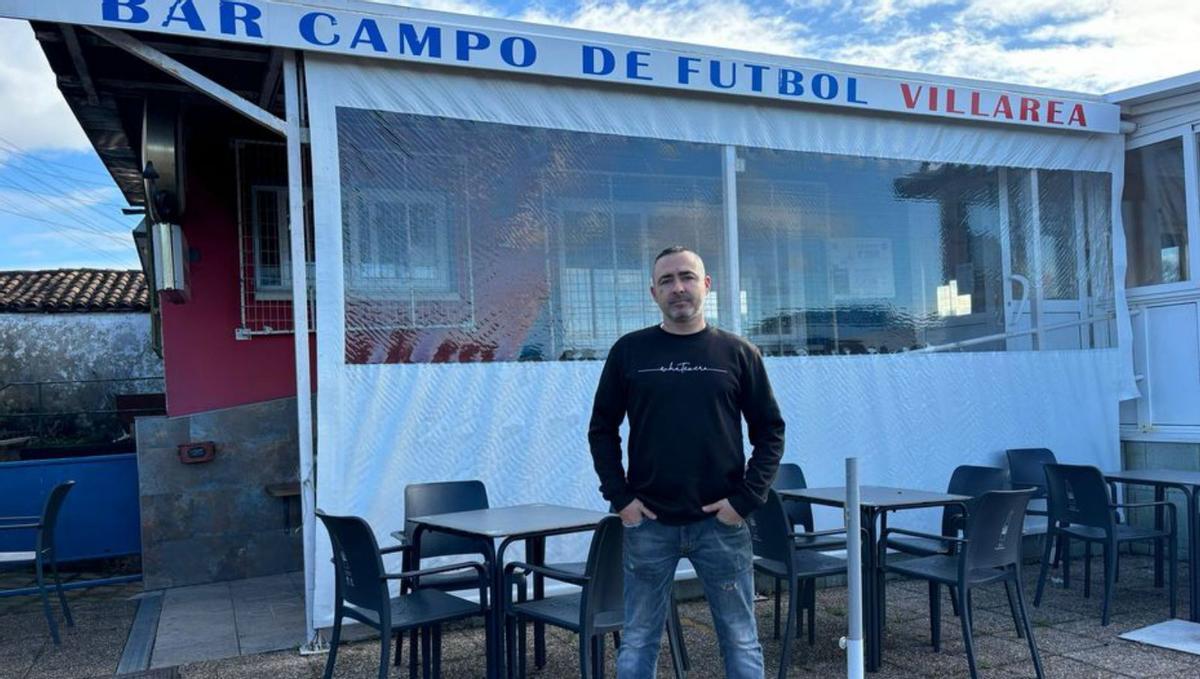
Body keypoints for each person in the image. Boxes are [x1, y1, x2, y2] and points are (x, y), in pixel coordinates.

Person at [589, 245, 785, 678]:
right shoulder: (629, 353)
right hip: (648, 524)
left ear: (706, 285)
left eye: (687, 277)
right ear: (653, 292)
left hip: (722, 525)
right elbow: (602, 429)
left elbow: (770, 431)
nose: (678, 288)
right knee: (638, 638)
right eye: (667, 281)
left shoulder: (738, 354)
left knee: (739, 638)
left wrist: (746, 501)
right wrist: (621, 499)